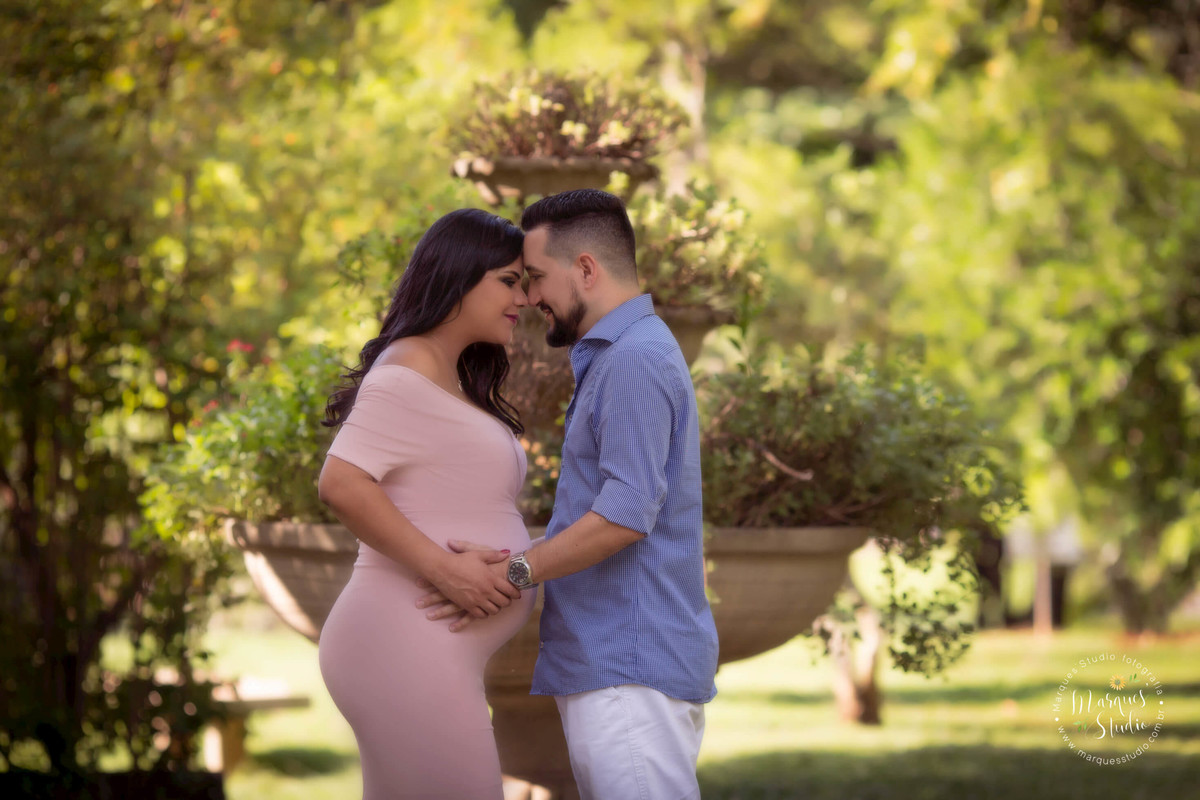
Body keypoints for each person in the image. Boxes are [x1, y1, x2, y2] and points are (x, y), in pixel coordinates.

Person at [420, 189, 719, 799]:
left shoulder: (634, 359)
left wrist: (516, 572)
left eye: (534, 278)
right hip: (620, 666)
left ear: (586, 269)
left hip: (628, 669)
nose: (527, 298)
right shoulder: (624, 353)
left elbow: (626, 514)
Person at [316, 207, 536, 799]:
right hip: (401, 644)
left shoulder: (446, 376)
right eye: (509, 281)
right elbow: (340, 482)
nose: (525, 299)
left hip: (421, 649)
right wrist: (446, 569)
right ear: (460, 276)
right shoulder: (407, 367)